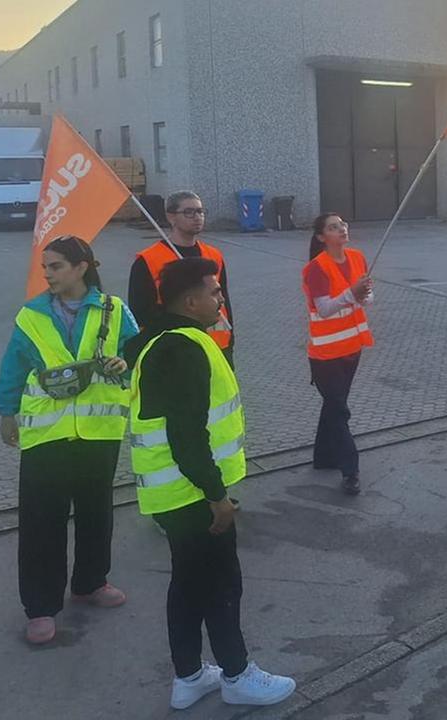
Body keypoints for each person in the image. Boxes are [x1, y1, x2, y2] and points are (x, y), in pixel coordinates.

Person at [125, 258, 295, 710]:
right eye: (215, 292)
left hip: (172, 494)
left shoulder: (160, 341)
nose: (221, 300)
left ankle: (190, 676)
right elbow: (187, 434)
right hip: (192, 495)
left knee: (187, 585)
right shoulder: (185, 348)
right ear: (190, 300)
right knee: (221, 585)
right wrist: (217, 496)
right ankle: (237, 675)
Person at [0, 236, 136, 645]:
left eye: (55, 266)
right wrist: (7, 413)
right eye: (46, 268)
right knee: (42, 523)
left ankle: (91, 582)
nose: (47, 275)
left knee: (96, 513)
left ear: (81, 267)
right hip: (47, 436)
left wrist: (124, 363)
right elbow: (13, 368)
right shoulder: (32, 315)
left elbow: (137, 356)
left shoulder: (114, 310)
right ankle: (40, 607)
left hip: (99, 432)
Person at [303, 213, 375, 496]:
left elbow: (368, 298)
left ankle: (323, 458)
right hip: (325, 354)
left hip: (352, 348)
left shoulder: (357, 257)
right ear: (322, 237)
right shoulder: (316, 268)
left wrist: (364, 294)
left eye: (343, 224)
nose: (342, 229)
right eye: (334, 227)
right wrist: (351, 293)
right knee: (339, 410)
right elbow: (324, 308)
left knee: (334, 407)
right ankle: (350, 469)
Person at [128, 191, 237, 366]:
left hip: (218, 345)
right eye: (189, 212)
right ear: (171, 217)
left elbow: (224, 302)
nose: (197, 217)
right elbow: (140, 314)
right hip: (176, 350)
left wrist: (231, 340)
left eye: (200, 211)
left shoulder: (213, 255)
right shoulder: (148, 260)